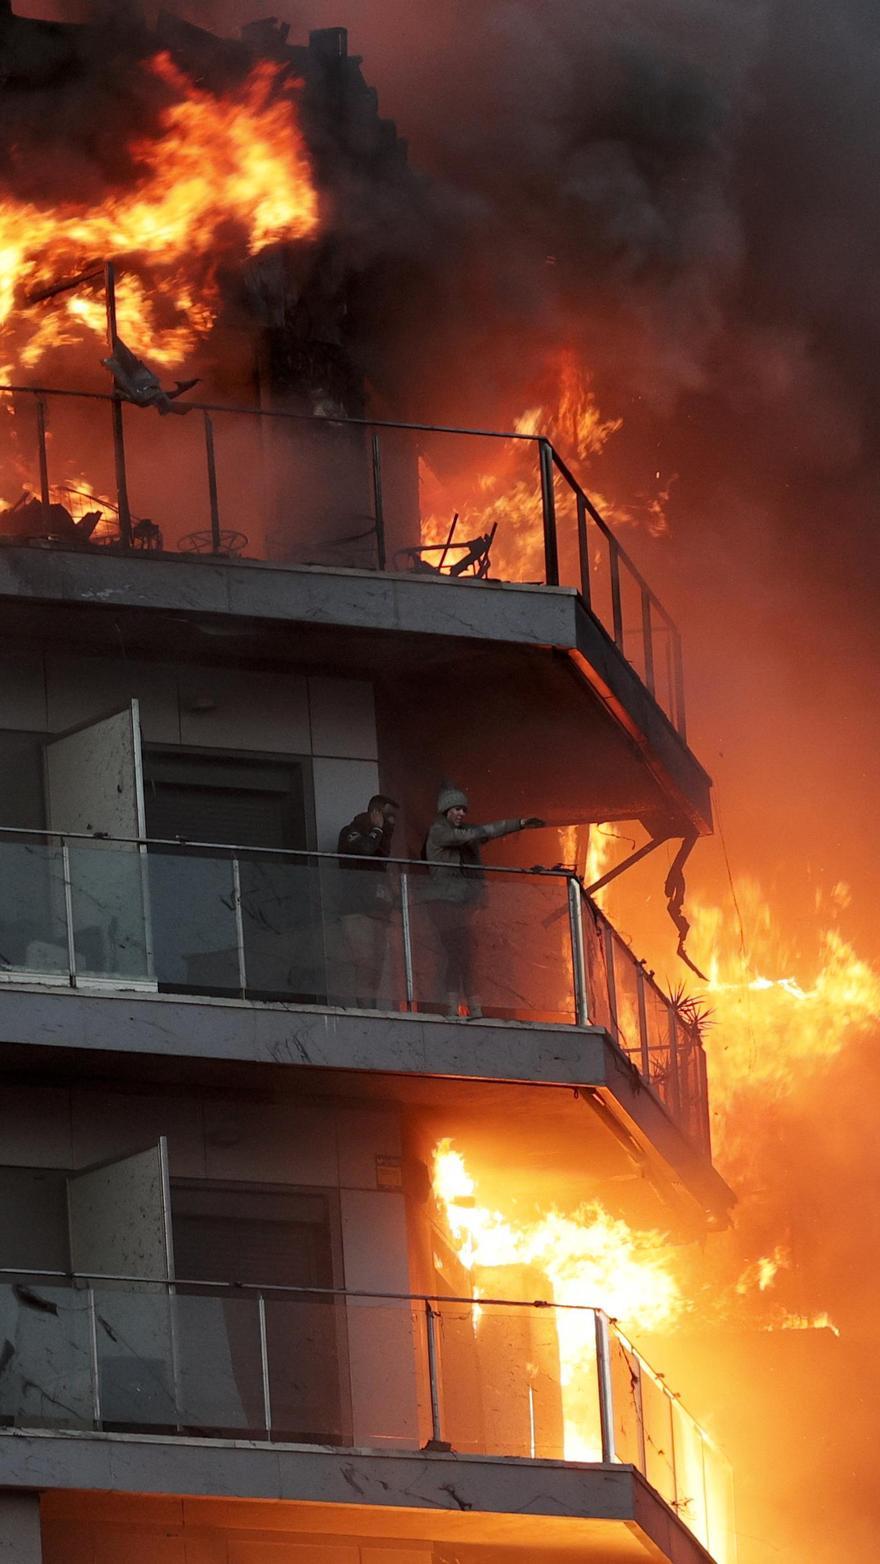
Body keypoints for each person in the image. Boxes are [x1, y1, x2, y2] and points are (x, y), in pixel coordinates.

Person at [423, 783, 544, 1019]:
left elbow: (483, 833)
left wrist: (518, 824)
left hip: (461, 903)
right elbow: (479, 833)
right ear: (445, 810)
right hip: (442, 902)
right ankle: (457, 1008)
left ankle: (468, 1007)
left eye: (464, 810)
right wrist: (516, 824)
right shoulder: (439, 831)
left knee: (464, 953)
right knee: (458, 952)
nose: (461, 814)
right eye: (456, 809)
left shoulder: (464, 834)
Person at [336, 794, 399, 1008]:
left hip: (378, 913)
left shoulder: (384, 844)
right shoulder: (350, 831)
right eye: (389, 816)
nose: (393, 822)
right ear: (376, 814)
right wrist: (377, 830)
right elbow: (365, 849)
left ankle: (371, 1008)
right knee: (364, 964)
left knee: (377, 968)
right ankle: (365, 1012)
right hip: (356, 910)